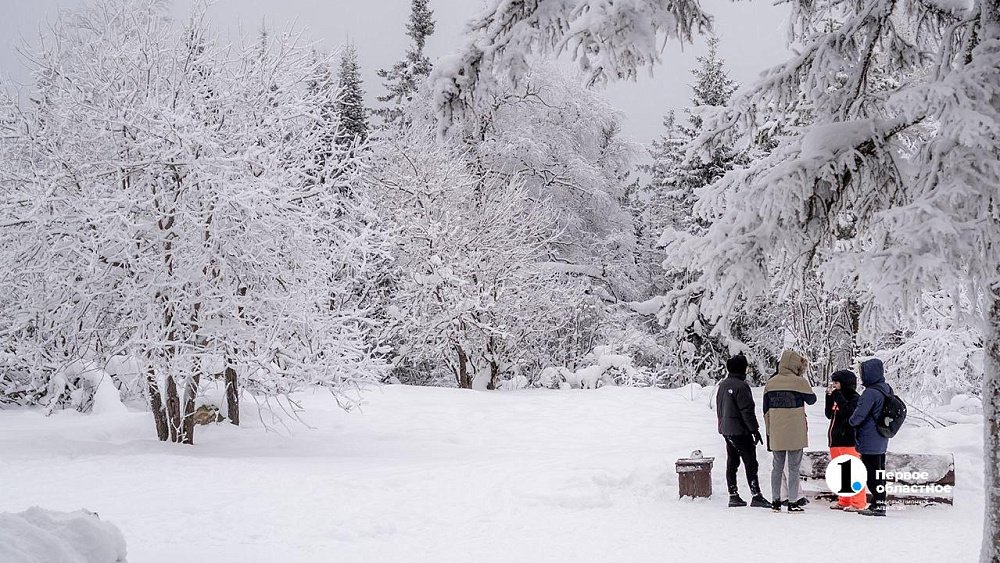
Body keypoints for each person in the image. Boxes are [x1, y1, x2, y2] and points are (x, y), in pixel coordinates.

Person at [763, 349, 817, 512]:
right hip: (795, 431)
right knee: (793, 468)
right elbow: (812, 400)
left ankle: (775, 501)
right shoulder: (799, 382)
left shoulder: (771, 383)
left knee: (777, 467)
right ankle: (793, 502)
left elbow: (765, 409)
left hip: (777, 431)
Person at [716, 353, 771, 508]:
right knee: (750, 462)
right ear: (742, 368)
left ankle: (733, 495)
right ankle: (756, 495)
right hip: (740, 430)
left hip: (726, 429)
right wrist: (754, 430)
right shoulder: (741, 386)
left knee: (732, 461)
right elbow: (747, 410)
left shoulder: (724, 384)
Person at [849, 358, 893, 517]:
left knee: (871, 473)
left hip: (869, 438)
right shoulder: (886, 389)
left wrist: (851, 421)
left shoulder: (870, 393)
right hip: (882, 437)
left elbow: (859, 416)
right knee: (879, 472)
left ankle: (878, 505)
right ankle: (879, 502)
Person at [825, 369, 866, 511]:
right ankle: (844, 499)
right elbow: (828, 414)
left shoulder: (854, 398)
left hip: (848, 440)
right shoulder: (837, 397)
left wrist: (837, 396)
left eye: (836, 383)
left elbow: (848, 414)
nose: (834, 385)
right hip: (835, 440)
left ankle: (858, 502)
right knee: (840, 473)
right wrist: (829, 397)